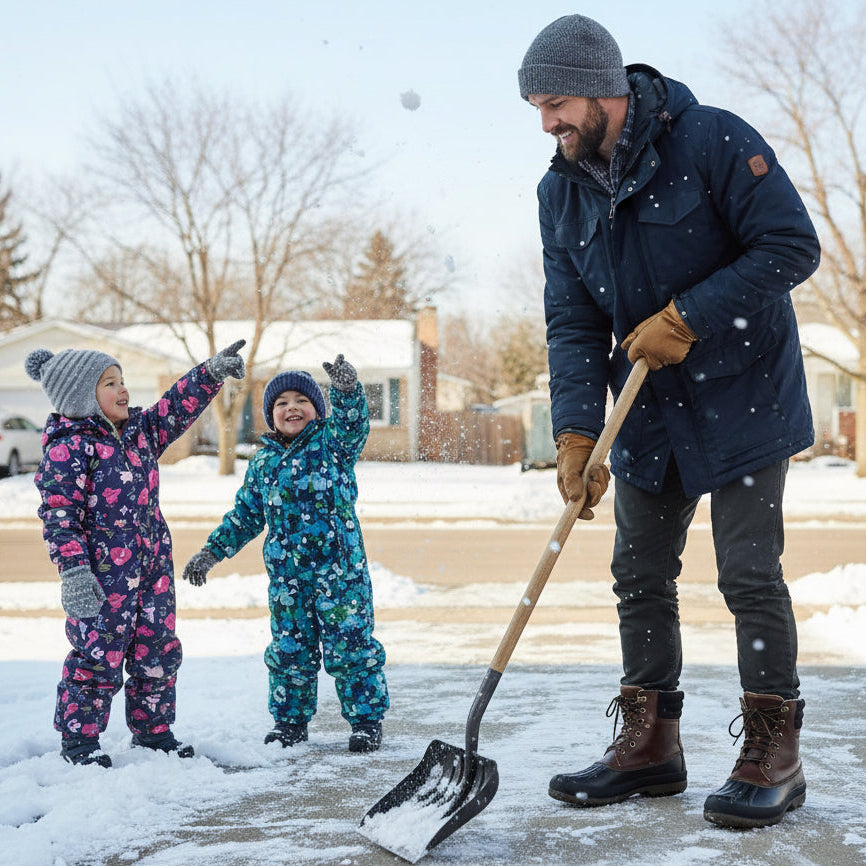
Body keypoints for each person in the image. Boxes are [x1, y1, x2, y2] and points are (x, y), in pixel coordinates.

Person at [517, 14, 820, 829]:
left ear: (599, 88)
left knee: (748, 574)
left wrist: (688, 316)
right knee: (639, 575)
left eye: (554, 105)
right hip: (645, 410)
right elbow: (573, 322)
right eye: (538, 109)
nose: (546, 124)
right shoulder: (559, 193)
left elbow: (790, 246)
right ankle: (650, 746)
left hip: (743, 394)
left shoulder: (712, 140)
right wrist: (576, 432)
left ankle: (775, 752)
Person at [26, 339, 247, 767]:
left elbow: (174, 407)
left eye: (122, 380)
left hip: (152, 571)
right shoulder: (70, 447)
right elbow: (59, 516)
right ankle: (80, 740)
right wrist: (74, 572)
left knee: (157, 650)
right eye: (110, 383)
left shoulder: (140, 432)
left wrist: (210, 373)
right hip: (101, 579)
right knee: (96, 656)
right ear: (81, 396)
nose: (123, 389)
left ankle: (154, 732)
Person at [181, 354, 389, 752]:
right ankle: (289, 723)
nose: (291, 407)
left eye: (301, 400)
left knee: (352, 650)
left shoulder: (333, 445)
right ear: (270, 415)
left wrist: (347, 391)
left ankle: (366, 721)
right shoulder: (263, 463)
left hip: (341, 579)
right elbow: (245, 516)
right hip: (288, 583)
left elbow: (353, 425)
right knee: (290, 653)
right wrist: (212, 551)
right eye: (281, 403)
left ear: (317, 410)